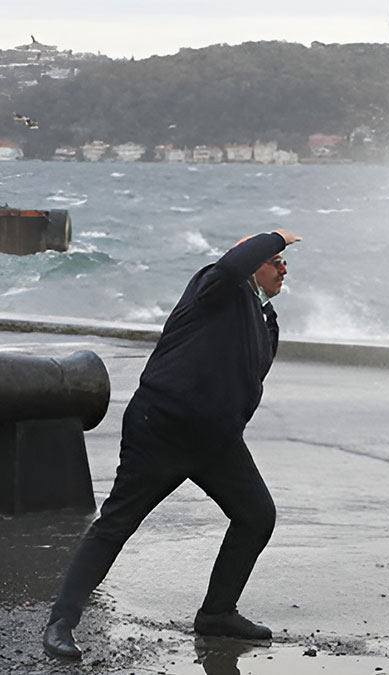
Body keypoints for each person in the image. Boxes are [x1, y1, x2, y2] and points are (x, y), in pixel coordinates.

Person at [43, 229, 302, 659]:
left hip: (217, 441)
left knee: (257, 516)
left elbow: (249, 376)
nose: (284, 268)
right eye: (276, 260)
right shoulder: (215, 285)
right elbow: (231, 265)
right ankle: (60, 623)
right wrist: (275, 236)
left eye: (283, 261)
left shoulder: (264, 318)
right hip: (161, 427)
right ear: (251, 261)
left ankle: (217, 613)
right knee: (117, 524)